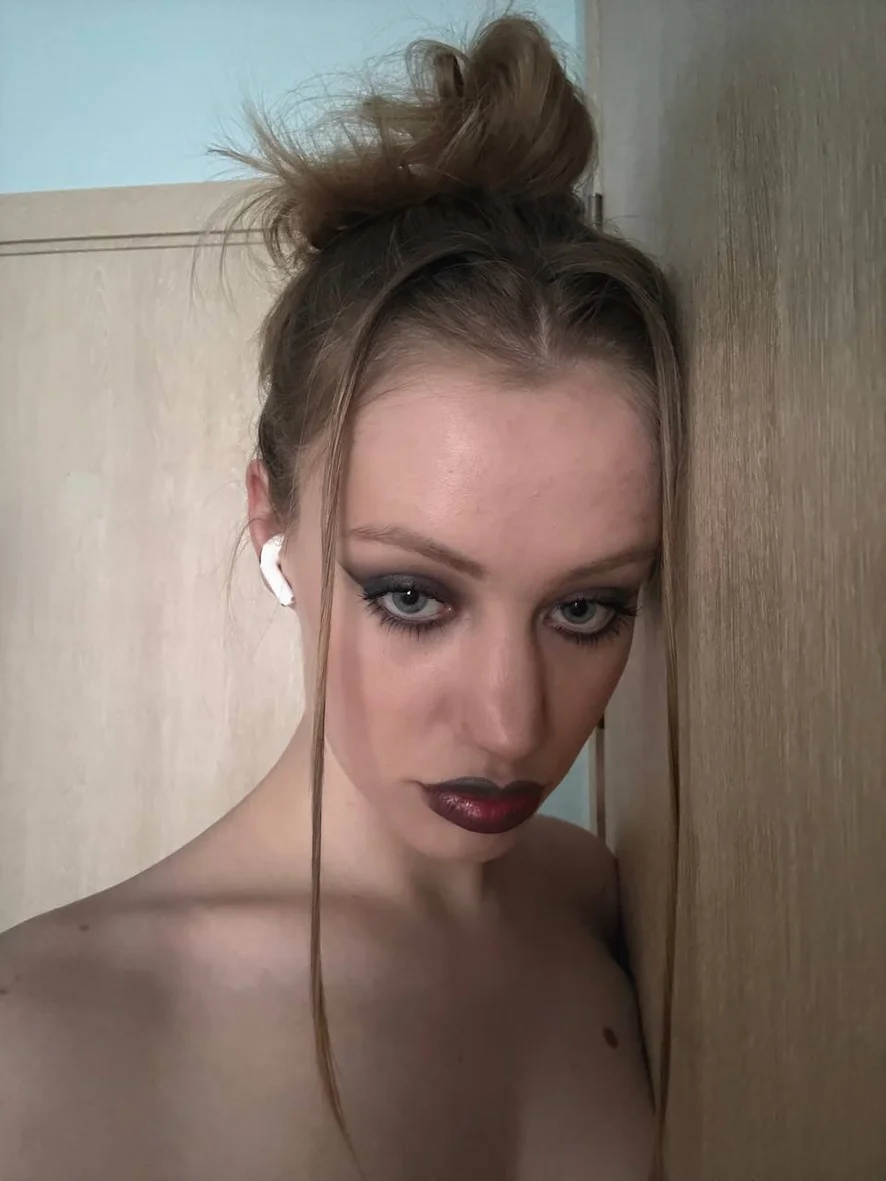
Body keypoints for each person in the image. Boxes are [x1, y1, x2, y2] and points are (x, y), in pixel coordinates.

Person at [0, 14, 681, 1181]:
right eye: (413, 595)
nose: (511, 723)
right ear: (272, 523)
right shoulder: (43, 1040)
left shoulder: (594, 896)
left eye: (586, 608)